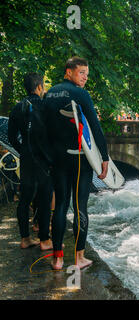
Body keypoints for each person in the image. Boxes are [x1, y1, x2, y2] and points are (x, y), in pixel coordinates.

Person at [44, 56, 109, 270]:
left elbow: (42, 128)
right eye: (82, 73)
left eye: (87, 75)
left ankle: (58, 259)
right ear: (69, 71)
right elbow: (95, 126)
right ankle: (79, 258)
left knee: (60, 205)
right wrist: (105, 158)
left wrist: (48, 156)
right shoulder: (80, 94)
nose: (85, 78)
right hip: (80, 158)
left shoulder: (49, 93)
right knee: (80, 206)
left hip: (58, 157)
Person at [7, 73, 54, 250]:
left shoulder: (17, 108)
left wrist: (22, 150)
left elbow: (12, 137)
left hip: (26, 157)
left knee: (25, 198)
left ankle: (25, 239)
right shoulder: (45, 106)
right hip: (44, 159)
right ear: (40, 87)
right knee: (45, 197)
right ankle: (44, 240)